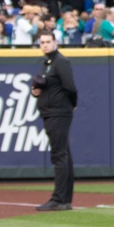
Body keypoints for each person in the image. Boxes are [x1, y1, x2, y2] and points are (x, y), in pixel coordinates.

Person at [31, 30, 78, 211]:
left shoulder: (61, 61)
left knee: (59, 155)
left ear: (55, 42)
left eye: (48, 42)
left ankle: (59, 199)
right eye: (42, 42)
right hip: (51, 112)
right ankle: (64, 200)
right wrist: (35, 91)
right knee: (63, 154)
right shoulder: (47, 63)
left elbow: (70, 87)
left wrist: (72, 104)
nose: (45, 45)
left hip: (58, 113)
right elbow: (46, 86)